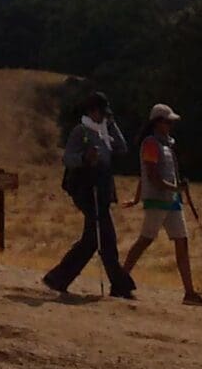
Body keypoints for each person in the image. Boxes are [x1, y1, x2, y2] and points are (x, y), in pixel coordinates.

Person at [43, 91, 138, 300]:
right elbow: (68, 158)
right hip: (87, 190)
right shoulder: (81, 131)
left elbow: (122, 148)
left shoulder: (104, 132)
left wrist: (112, 125)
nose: (104, 117)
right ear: (92, 111)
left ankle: (58, 277)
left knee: (93, 240)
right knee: (106, 238)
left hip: (102, 190)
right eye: (101, 113)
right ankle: (121, 285)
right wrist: (85, 158)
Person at [122, 103, 202, 306]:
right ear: (157, 122)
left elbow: (146, 176)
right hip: (157, 200)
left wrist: (141, 197)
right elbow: (151, 175)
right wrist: (175, 189)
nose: (171, 125)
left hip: (171, 202)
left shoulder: (166, 144)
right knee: (145, 240)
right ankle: (121, 280)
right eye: (168, 122)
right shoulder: (151, 144)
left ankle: (189, 292)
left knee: (182, 240)